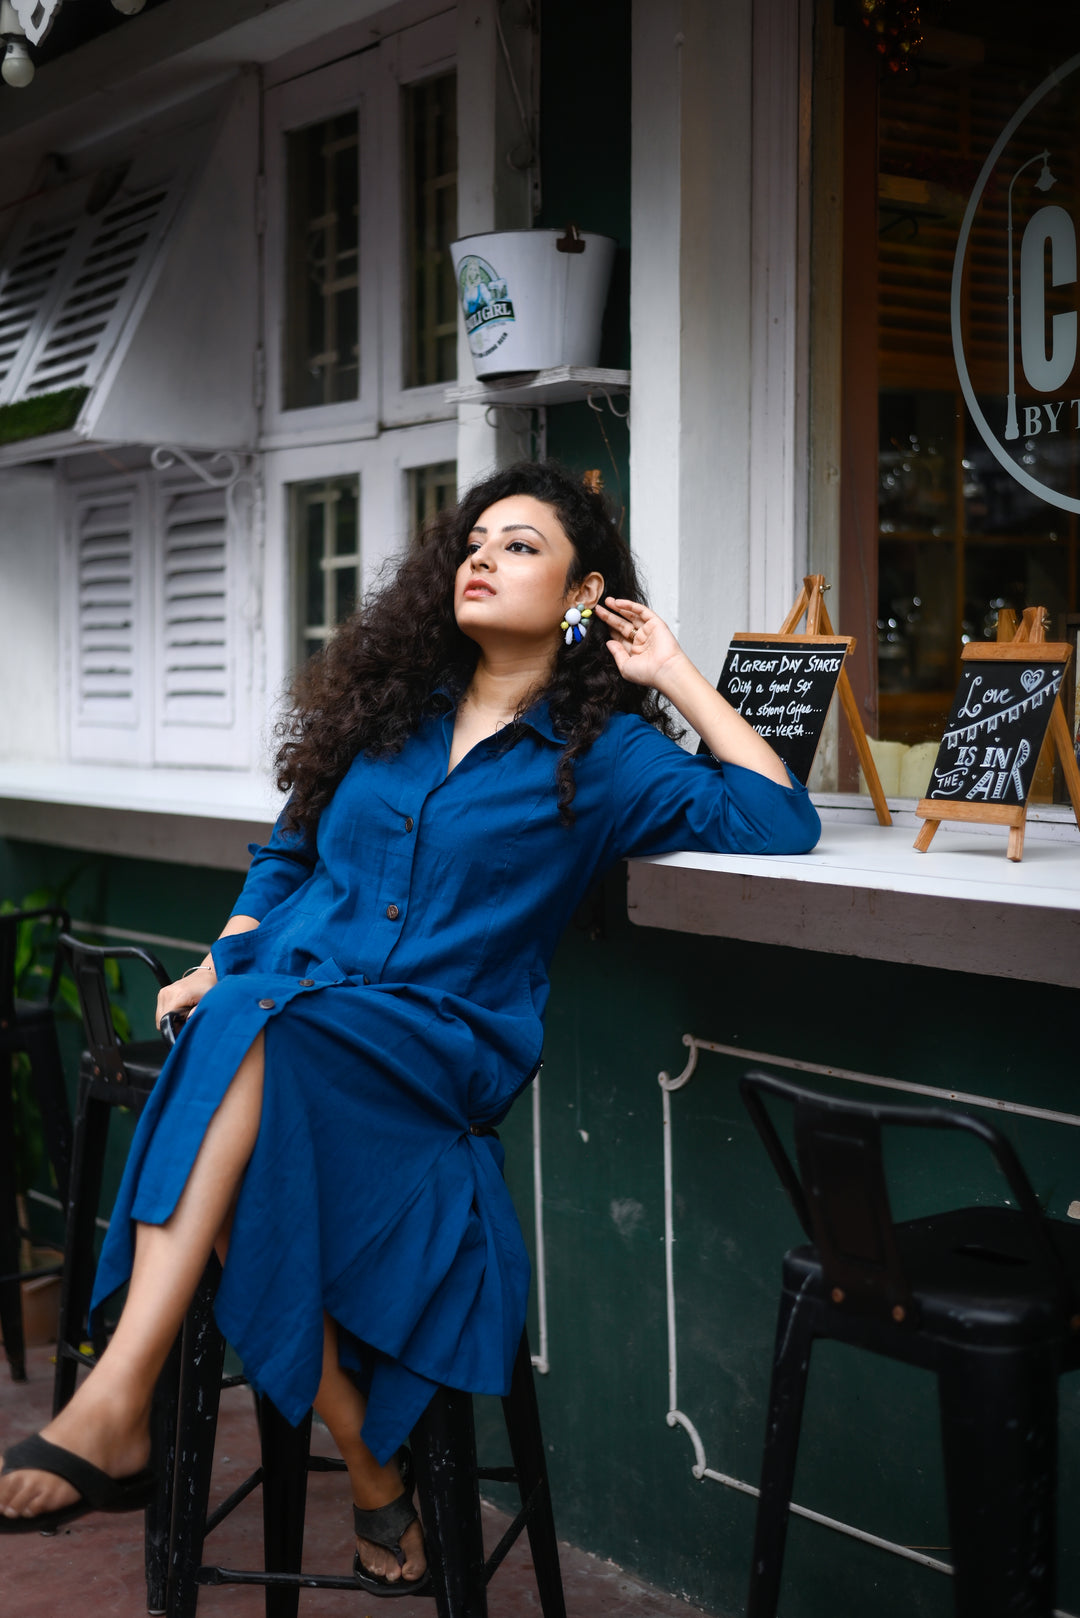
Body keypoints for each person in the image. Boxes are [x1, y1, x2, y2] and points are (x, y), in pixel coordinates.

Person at [0, 461, 819, 1589]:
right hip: (290, 1013)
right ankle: (354, 1449)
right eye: (474, 541)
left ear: (586, 591)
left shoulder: (608, 756)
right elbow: (286, 856)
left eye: (520, 545)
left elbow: (777, 818)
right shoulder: (386, 715)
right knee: (247, 1053)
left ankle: (116, 1398)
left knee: (244, 1042)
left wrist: (671, 671)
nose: (480, 556)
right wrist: (224, 957)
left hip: (436, 1044)